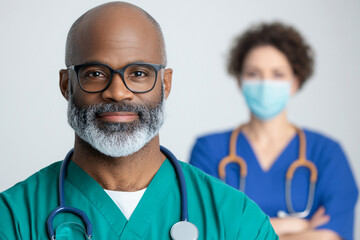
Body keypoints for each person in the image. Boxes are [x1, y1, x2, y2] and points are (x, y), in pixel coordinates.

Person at [0, 2, 278, 239]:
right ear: (66, 85)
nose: (118, 92)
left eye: (139, 74)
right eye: (95, 73)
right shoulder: (13, 219)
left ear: (165, 84)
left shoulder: (238, 220)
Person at [189, 22, 358, 240]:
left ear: (295, 82)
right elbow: (205, 231)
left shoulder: (326, 153)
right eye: (253, 73)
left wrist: (242, 229)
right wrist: (294, 225)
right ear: (240, 81)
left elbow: (329, 237)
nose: (265, 83)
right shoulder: (209, 150)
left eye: (277, 74)